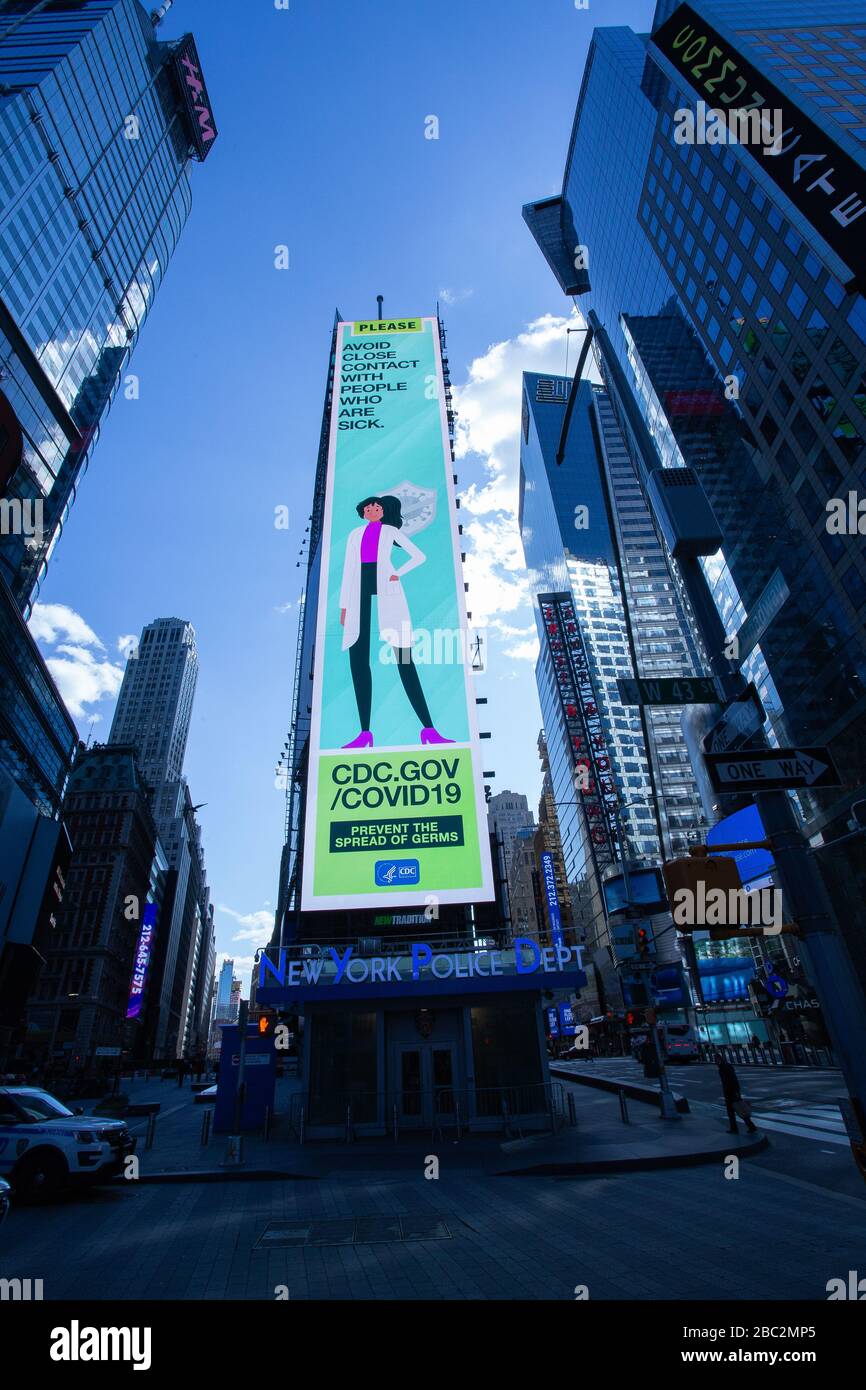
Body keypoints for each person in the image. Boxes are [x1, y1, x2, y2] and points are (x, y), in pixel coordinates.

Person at [339, 495, 453, 748]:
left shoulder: (390, 531)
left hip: (387, 592)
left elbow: (418, 556)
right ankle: (364, 733)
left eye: (377, 507)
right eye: (368, 507)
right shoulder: (354, 535)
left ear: (383, 511)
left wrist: (396, 573)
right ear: (363, 512)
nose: (372, 510)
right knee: (358, 660)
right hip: (359, 593)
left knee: (404, 659)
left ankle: (429, 729)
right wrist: (344, 606)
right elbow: (349, 568)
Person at [716, 1051, 757, 1134]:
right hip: (729, 1092)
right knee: (735, 1111)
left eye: (717, 1059)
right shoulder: (722, 1068)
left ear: (720, 1059)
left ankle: (746, 1127)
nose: (716, 1061)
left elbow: (733, 1080)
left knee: (738, 1110)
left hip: (731, 1092)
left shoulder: (725, 1067)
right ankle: (744, 1127)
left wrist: (736, 1092)